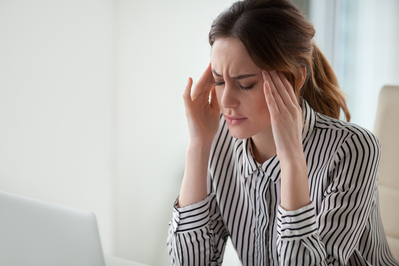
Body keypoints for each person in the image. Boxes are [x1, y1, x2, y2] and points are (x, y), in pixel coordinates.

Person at [167, 0, 399, 265]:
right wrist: (198, 145)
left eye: (245, 85)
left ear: (295, 79)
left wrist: (291, 159)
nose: (226, 101)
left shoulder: (353, 149)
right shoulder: (220, 140)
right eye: (219, 81)